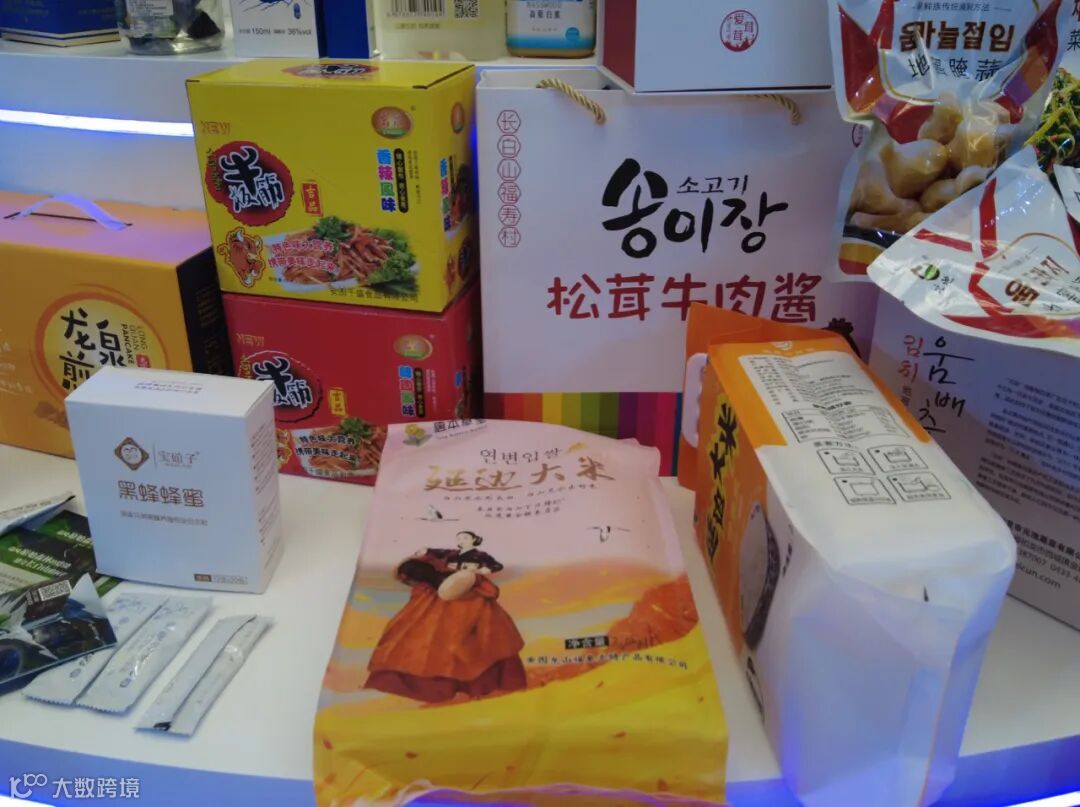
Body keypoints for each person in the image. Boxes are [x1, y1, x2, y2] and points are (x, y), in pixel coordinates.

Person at [365, 530, 526, 703]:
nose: (462, 540)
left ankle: (474, 685)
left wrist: (479, 571)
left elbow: (494, 568)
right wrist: (428, 555)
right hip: (442, 591)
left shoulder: (480, 556)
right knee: (426, 634)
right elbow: (429, 559)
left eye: (466, 537)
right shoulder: (449, 555)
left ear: (474, 540)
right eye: (460, 538)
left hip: (468, 591)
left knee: (471, 636)